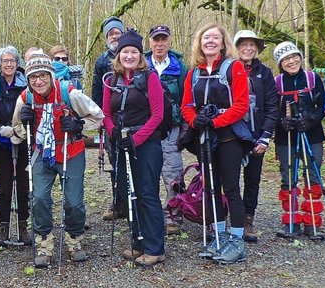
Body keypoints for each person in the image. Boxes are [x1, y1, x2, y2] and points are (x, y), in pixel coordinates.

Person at [10, 52, 104, 268]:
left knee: (73, 202)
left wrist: (78, 126)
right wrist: (25, 125)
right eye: (33, 77)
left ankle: (75, 239)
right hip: (42, 153)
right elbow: (16, 131)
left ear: (51, 76)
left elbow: (98, 117)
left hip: (70, 149)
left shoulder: (68, 93)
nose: (38, 81)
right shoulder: (25, 98)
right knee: (39, 198)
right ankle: (44, 243)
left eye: (43, 75)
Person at [180, 23, 250, 264]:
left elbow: (241, 105)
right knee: (210, 187)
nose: (210, 41)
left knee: (230, 187)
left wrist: (216, 122)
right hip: (205, 138)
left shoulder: (235, 67)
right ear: (199, 43)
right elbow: (186, 106)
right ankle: (218, 235)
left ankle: (237, 240)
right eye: (205, 38)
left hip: (228, 137)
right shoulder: (194, 73)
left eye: (215, 38)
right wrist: (195, 120)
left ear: (223, 43)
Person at [102, 29, 165, 265]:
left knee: (147, 193)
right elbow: (106, 113)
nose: (129, 56)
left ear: (141, 55)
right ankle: (138, 242)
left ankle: (155, 248)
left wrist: (137, 139)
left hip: (146, 143)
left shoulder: (150, 78)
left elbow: (158, 115)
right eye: (125, 51)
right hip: (122, 142)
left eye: (134, 52)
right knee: (129, 194)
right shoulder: (111, 80)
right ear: (118, 55)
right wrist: (113, 132)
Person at [271, 42, 325, 239]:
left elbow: (322, 105)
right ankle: (291, 221)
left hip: (312, 134)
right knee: (288, 177)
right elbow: (270, 109)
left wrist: (311, 119)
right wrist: (280, 122)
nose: (291, 61)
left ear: (300, 57)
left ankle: (312, 221)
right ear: (280, 63)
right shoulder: (276, 82)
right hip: (286, 137)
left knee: (313, 174)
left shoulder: (312, 78)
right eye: (286, 59)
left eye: (294, 56)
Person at [232, 30, 278, 243]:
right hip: (232, 133)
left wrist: (266, 135)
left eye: (252, 45)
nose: (248, 48)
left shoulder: (265, 73)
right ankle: (230, 218)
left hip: (256, 133)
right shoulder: (228, 69)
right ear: (236, 47)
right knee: (229, 179)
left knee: (252, 179)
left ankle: (248, 218)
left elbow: (271, 106)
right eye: (243, 44)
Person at [144, 25, 189, 235]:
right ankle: (151, 216)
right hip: (146, 128)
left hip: (171, 128)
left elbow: (187, 99)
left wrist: (185, 128)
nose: (159, 44)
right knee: (148, 172)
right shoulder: (141, 65)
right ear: (150, 42)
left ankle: (173, 214)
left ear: (169, 41)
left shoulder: (180, 68)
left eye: (163, 39)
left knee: (173, 171)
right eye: (156, 40)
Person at [0, 46, 32, 247]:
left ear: (17, 63)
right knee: (4, 187)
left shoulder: (26, 86)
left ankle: (23, 227)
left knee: (23, 186)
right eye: (5, 61)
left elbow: (31, 111)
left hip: (22, 140)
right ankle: (4, 227)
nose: (9, 64)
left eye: (12, 61)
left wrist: (19, 130)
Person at [95, 16, 127, 221]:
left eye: (117, 32)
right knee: (114, 161)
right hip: (110, 120)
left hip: (133, 118)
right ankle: (118, 202)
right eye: (111, 34)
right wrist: (99, 117)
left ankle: (136, 202)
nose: (114, 36)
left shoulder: (133, 55)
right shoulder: (101, 61)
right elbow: (97, 92)